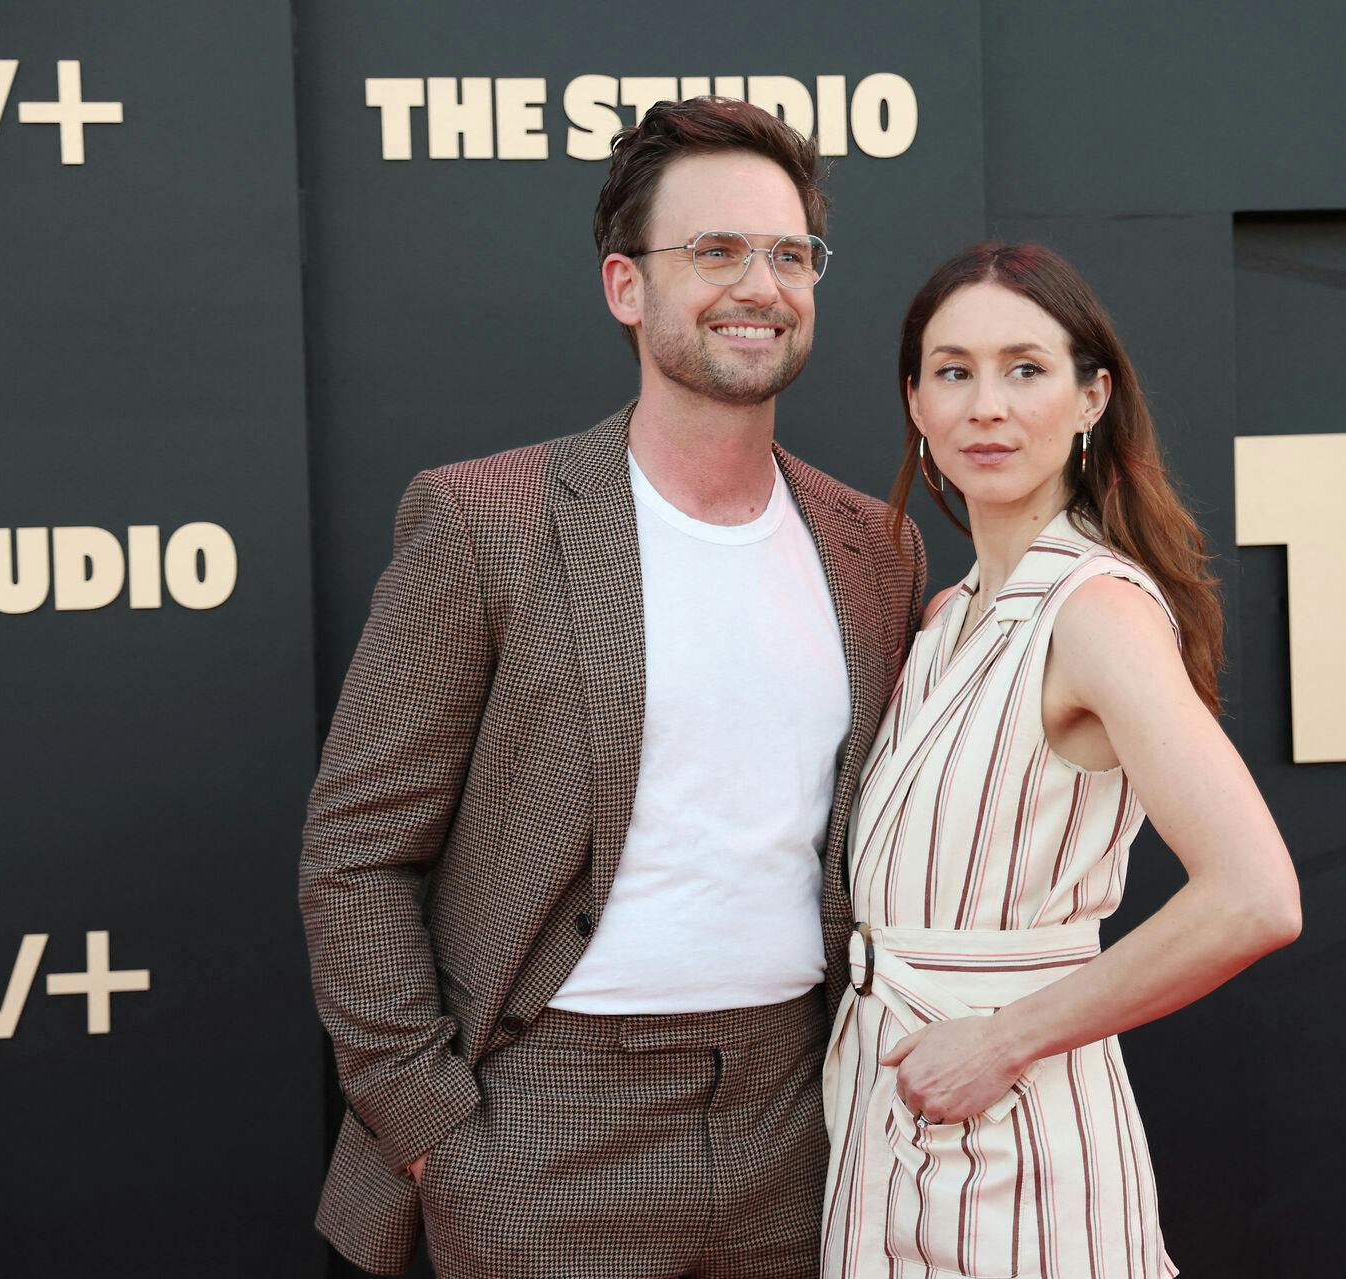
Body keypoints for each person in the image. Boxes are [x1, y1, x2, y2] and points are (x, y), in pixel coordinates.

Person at [299, 96, 925, 1279]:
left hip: (802, 1120)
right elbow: (357, 852)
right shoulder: (485, 521)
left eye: (791, 254)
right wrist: (435, 1134)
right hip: (543, 1121)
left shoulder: (873, 549)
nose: (761, 285)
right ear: (626, 286)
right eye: (717, 249)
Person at [820, 243, 1301, 1278]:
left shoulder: (1096, 611)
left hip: (1020, 1139)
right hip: (883, 1118)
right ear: (915, 402)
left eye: (1026, 369)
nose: (986, 406)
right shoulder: (943, 618)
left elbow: (1255, 896)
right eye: (953, 371)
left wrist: (1002, 1040)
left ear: (1093, 397)